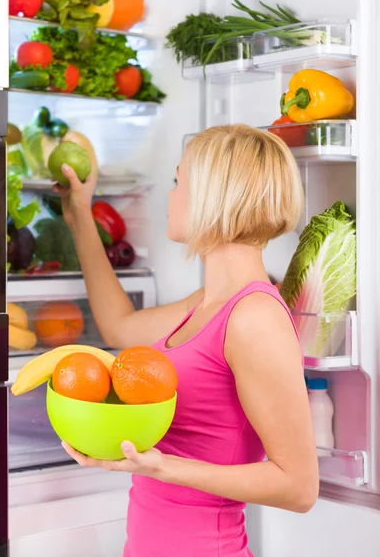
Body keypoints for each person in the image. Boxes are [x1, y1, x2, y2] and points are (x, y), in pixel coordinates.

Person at [57, 124, 319, 557]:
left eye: (180, 181)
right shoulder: (207, 303)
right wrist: (80, 215)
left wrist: (166, 467)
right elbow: (119, 328)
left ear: (214, 196)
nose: (171, 193)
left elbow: (299, 487)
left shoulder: (254, 317)